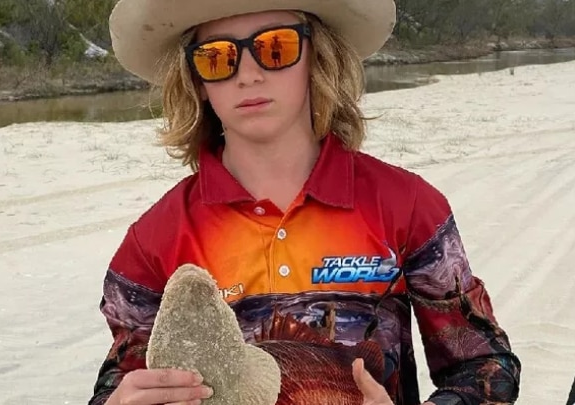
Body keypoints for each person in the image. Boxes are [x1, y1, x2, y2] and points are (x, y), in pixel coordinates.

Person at [89, 0, 522, 404]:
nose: (249, 74)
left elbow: (484, 366)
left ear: (317, 57)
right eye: (218, 58)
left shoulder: (408, 204)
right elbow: (118, 383)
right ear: (197, 81)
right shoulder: (153, 238)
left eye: (275, 48)